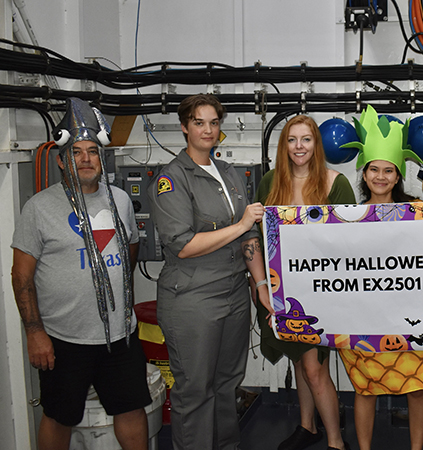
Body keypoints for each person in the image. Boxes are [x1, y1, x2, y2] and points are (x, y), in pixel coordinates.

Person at [11, 97, 150, 450]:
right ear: (61, 160)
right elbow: (21, 277)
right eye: (76, 152)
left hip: (121, 334)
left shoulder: (119, 199)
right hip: (63, 338)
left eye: (92, 151)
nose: (86, 158)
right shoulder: (39, 208)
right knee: (60, 416)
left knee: (131, 409)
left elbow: (129, 247)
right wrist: (34, 333)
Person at [336, 105, 423, 450]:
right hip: (364, 313)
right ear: (364, 175)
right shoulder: (346, 217)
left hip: (410, 314)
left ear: (398, 177)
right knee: (365, 387)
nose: (381, 177)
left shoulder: (419, 213)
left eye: (388, 171)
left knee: (417, 385)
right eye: (374, 170)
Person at [149, 94, 270, 450]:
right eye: (199, 122)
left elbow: (249, 236)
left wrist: (260, 283)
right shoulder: (171, 179)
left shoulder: (229, 173)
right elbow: (182, 245)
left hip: (233, 292)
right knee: (195, 389)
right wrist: (243, 223)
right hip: (192, 297)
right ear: (185, 127)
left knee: (227, 382)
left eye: (213, 122)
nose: (207, 130)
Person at [255, 114, 355, 450]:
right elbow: (254, 240)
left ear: (317, 144)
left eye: (306, 140)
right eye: (292, 140)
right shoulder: (270, 182)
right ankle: (307, 426)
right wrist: (261, 286)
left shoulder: (335, 183)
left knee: (314, 368)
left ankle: (337, 441)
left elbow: (352, 242)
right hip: (280, 290)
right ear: (284, 145)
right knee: (298, 358)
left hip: (322, 291)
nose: (299, 147)